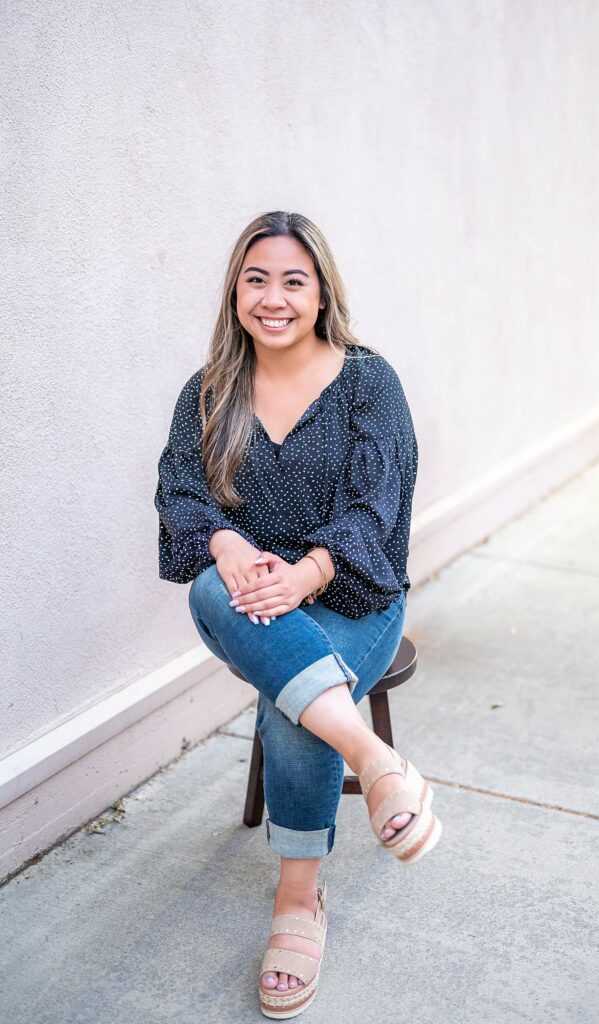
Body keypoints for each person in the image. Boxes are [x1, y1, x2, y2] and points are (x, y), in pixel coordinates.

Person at [154, 210, 442, 1018]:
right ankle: (376, 761)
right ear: (234, 292)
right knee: (214, 585)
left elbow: (376, 507)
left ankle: (296, 903)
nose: (272, 298)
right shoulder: (209, 390)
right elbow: (180, 492)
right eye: (256, 279)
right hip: (247, 599)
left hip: (354, 592)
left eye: (292, 280)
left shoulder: (366, 381)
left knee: (293, 710)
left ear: (320, 294)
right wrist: (228, 545)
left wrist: (306, 572)